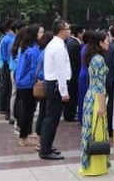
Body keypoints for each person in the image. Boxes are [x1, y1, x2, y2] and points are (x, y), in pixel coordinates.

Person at [40, 20, 72, 160]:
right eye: (68, 28)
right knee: (52, 118)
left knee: (51, 117)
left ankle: (47, 145)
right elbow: (60, 71)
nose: (70, 31)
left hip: (52, 84)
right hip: (55, 85)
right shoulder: (57, 47)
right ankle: (45, 150)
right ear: (61, 30)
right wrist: (64, 92)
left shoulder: (55, 44)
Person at [79, 31, 110, 176]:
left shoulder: (93, 57)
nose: (108, 42)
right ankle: (94, 166)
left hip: (91, 96)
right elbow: (99, 85)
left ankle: (92, 165)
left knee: (92, 131)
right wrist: (102, 105)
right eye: (106, 40)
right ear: (100, 43)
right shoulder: (98, 60)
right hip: (97, 98)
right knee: (97, 132)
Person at [14, 24, 43, 146]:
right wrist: (36, 81)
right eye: (41, 32)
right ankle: (23, 137)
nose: (43, 35)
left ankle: (25, 134)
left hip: (21, 82)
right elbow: (33, 70)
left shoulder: (24, 47)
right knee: (28, 111)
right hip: (28, 84)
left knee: (26, 109)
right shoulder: (34, 50)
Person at [34, 31, 53, 152]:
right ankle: (41, 141)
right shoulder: (47, 53)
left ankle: (39, 139)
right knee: (45, 113)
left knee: (42, 112)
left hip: (41, 82)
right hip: (45, 83)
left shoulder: (42, 52)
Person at [64, 25, 84, 122]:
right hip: (74, 73)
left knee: (71, 93)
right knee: (72, 94)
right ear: (79, 33)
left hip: (70, 73)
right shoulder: (75, 44)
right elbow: (77, 61)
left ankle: (69, 113)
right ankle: (70, 114)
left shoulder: (69, 42)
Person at [0, 20, 16, 119]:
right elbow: (7, 55)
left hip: (4, 64)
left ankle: (1, 107)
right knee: (6, 87)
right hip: (6, 65)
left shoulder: (5, 38)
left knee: (3, 86)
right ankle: (3, 108)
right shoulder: (9, 39)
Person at [77, 31, 91, 124]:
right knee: (85, 96)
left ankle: (81, 116)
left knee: (82, 96)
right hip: (86, 73)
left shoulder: (84, 47)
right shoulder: (88, 48)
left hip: (82, 72)